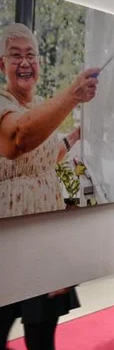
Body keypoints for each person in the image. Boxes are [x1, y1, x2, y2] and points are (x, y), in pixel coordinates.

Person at [0, 22, 99, 217]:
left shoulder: (39, 104)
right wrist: (73, 95)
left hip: (50, 217)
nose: (25, 62)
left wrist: (75, 136)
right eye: (16, 55)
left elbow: (45, 156)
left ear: (39, 62)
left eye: (30, 55)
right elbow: (18, 138)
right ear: (2, 64)